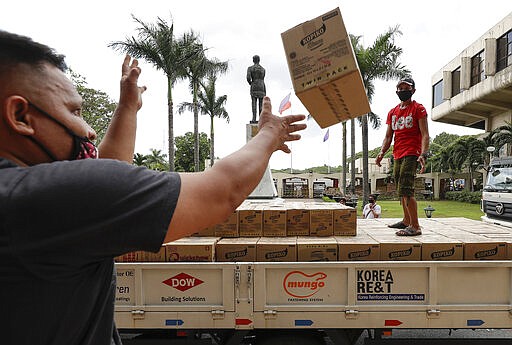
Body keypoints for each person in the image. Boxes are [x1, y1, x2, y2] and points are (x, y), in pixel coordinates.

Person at [0, 30, 306, 345]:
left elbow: (103, 179)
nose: (88, 131)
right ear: (20, 115)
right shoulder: (39, 199)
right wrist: (269, 133)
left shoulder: (24, 199)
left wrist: (127, 108)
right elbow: (221, 191)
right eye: (74, 112)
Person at [375, 77, 429, 236]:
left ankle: (415, 226)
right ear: (396, 91)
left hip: (412, 152)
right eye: (400, 88)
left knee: (406, 189)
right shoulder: (393, 112)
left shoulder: (418, 108)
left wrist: (424, 153)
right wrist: (381, 153)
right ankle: (406, 220)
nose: (403, 90)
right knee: (400, 189)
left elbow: (425, 134)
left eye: (406, 88)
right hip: (397, 153)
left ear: (413, 90)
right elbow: (388, 137)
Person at [246, 54, 266, 123]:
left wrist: (250, 83)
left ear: (253, 60)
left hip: (254, 85)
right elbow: (263, 77)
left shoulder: (250, 68)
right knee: (261, 104)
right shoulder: (263, 69)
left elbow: (248, 78)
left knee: (254, 103)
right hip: (262, 86)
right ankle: (261, 119)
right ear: (259, 60)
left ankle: (254, 119)